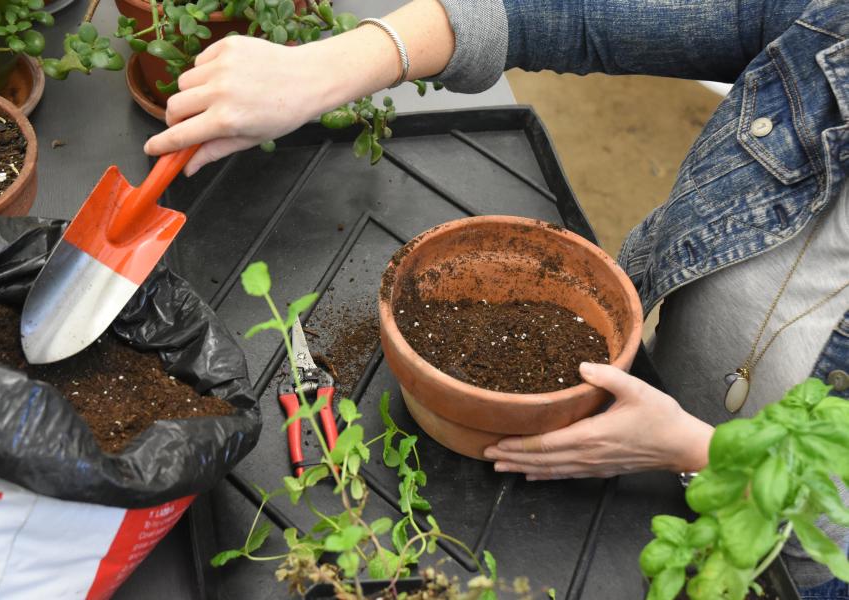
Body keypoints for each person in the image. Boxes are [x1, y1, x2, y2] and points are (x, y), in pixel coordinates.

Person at [145, 0, 848, 594]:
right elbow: (576, 16)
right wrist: (333, 65)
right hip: (639, 397)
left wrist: (691, 448)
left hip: (796, 562)